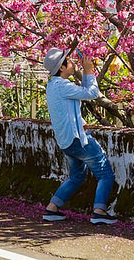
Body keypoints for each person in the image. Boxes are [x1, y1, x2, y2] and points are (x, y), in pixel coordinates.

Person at [42, 48, 117, 225]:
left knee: (76, 177)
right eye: (68, 60)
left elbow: (81, 92)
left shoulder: (53, 86)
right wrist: (89, 71)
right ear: (62, 68)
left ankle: (52, 208)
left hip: (66, 142)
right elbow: (90, 93)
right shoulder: (63, 86)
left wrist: (85, 73)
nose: (73, 62)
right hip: (78, 140)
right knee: (105, 173)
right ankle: (99, 212)